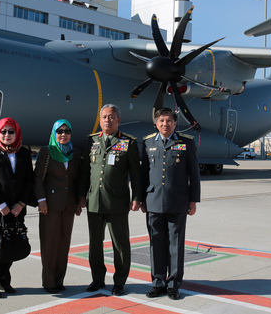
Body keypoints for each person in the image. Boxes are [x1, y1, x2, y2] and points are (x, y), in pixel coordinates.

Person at [79, 104, 143, 296]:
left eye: (111, 117)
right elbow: (85, 173)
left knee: (120, 244)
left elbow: (136, 173)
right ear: (100, 120)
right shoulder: (91, 141)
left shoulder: (128, 142)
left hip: (117, 202)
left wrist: (137, 197)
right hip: (94, 201)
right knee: (95, 244)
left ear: (118, 120)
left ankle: (120, 281)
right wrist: (82, 196)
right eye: (104, 117)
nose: (108, 120)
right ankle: (97, 279)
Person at [140, 108, 200, 300]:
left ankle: (174, 285)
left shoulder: (185, 143)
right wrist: (141, 199)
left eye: (169, 121)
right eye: (161, 121)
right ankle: (158, 283)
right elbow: (143, 174)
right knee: (156, 244)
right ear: (156, 123)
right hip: (153, 202)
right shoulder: (148, 142)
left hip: (177, 202)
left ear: (175, 123)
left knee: (175, 245)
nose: (165, 124)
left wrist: (193, 200)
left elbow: (194, 174)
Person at [0, 117, 34, 299]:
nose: (7, 135)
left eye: (11, 131)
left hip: (17, 208)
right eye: (3, 131)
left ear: (17, 133)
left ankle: (5, 280)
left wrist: (21, 203)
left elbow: (29, 181)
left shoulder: (24, 153)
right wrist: (1, 204)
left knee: (11, 243)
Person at [33, 119, 82, 294]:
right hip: (50, 205)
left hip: (68, 205)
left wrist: (78, 201)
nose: (63, 134)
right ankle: (49, 282)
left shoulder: (74, 153)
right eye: (59, 131)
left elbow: (76, 180)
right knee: (50, 244)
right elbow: (38, 177)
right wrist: (41, 200)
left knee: (63, 244)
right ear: (54, 133)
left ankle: (59, 280)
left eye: (67, 131)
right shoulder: (47, 152)